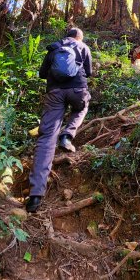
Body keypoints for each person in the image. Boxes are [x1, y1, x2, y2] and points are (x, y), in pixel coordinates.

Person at [26, 27, 92, 213]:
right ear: (79, 37)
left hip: (54, 93)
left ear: (67, 36)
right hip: (78, 89)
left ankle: (35, 196)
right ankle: (68, 135)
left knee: (46, 138)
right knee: (83, 106)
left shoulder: (54, 48)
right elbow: (89, 72)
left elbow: (42, 74)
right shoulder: (83, 47)